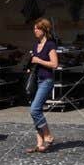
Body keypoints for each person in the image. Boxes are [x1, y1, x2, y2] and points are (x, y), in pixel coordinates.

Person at [26, 18, 59, 154]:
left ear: (44, 30)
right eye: (34, 28)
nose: (35, 31)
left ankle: (48, 136)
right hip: (36, 80)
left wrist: (39, 60)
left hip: (46, 80)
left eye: (37, 28)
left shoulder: (50, 45)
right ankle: (39, 144)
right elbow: (34, 62)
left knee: (34, 109)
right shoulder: (36, 45)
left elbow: (54, 64)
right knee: (35, 112)